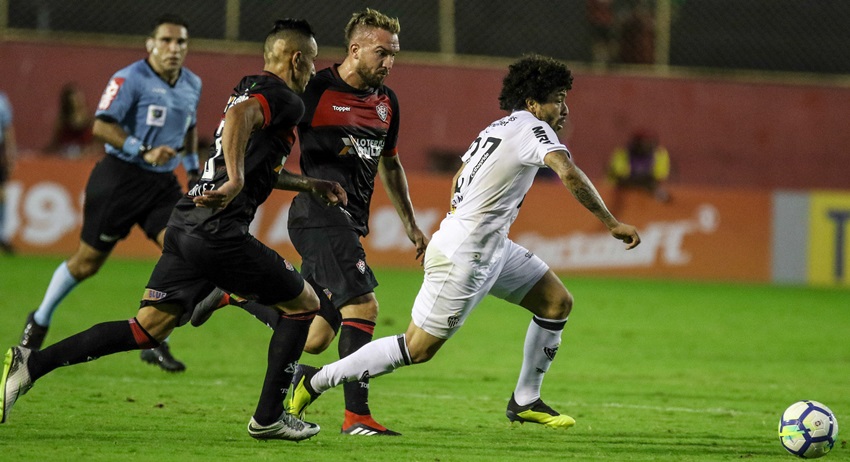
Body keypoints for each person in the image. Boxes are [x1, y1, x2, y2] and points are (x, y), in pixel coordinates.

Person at [2, 18, 343, 441]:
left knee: (147, 329)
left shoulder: (249, 85)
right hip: (220, 233)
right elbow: (238, 122)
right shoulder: (285, 99)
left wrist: (310, 183)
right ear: (296, 59)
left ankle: (31, 364)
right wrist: (234, 180)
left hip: (185, 225)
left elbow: (259, 166)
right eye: (310, 61)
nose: (312, 70)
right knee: (305, 306)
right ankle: (269, 416)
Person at [284, 54, 641, 431]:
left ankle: (525, 398)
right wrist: (611, 222)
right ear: (534, 103)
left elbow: (458, 178)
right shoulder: (535, 129)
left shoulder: (499, 127)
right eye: (557, 98)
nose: (564, 108)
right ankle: (313, 381)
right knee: (416, 348)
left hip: (491, 247)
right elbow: (567, 172)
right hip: (468, 253)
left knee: (556, 302)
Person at [192, 8, 428, 436]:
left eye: (394, 54)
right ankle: (356, 417)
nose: (389, 62)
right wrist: (231, 175)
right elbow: (252, 122)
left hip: (349, 219)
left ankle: (236, 295)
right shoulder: (314, 89)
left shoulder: (387, 103)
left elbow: (390, 166)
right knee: (364, 307)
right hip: (318, 214)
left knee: (316, 334)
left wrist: (411, 224)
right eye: (381, 53)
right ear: (355, 49)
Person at [17, 14, 202, 372]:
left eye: (180, 42)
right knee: (87, 263)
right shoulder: (130, 78)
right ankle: (39, 319)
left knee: (187, 252)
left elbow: (190, 125)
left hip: (162, 185)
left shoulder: (191, 82)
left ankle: (156, 338)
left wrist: (193, 169)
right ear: (151, 43)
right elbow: (102, 125)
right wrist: (141, 148)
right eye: (166, 41)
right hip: (119, 178)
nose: (173, 49)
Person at [607, 129, 671, 211]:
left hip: (648, 186)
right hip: (621, 188)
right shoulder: (623, 153)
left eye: (648, 142)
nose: (645, 146)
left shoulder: (659, 154)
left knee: (661, 195)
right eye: (642, 143)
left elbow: (660, 175)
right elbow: (619, 173)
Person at [45, 83, 98, 158]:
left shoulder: (92, 123)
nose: (77, 102)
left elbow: (97, 147)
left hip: (86, 162)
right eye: (73, 101)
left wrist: (87, 151)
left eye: (79, 99)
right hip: (66, 162)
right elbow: (55, 145)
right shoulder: (62, 124)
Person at [0, 91, 17, 254]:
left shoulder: (2, 101)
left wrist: (10, 153)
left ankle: (2, 235)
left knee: (2, 195)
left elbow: (7, 129)